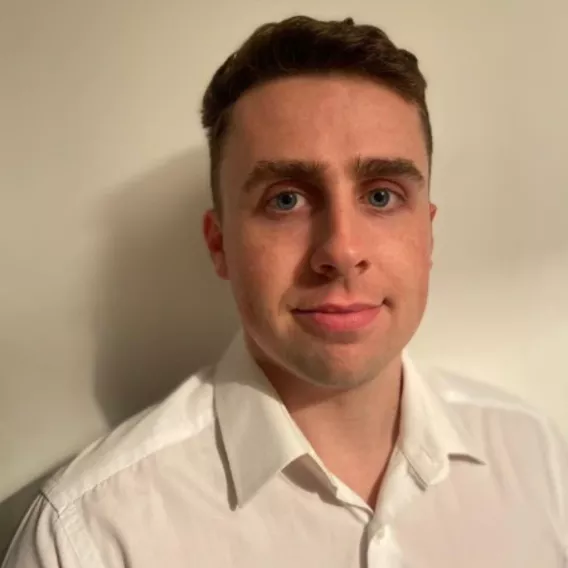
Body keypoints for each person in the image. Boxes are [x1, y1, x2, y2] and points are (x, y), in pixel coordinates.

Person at [3, 14, 567, 568]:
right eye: (286, 199)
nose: (342, 251)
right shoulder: (86, 538)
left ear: (428, 231)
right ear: (219, 244)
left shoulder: (539, 458)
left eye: (381, 196)